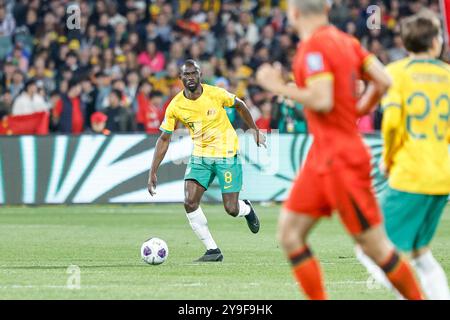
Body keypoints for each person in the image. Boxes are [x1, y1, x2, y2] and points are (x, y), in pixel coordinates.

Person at [256, 0, 423, 300]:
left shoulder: (313, 48)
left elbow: (322, 100)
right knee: (289, 233)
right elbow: (384, 80)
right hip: (323, 154)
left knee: (376, 247)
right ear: (326, 10)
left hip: (340, 159)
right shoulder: (348, 42)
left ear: (293, 13)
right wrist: (359, 109)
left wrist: (277, 86)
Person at [355, 10, 450, 300]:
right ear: (435, 42)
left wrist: (388, 159)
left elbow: (393, 124)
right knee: (421, 253)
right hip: (443, 176)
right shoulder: (447, 75)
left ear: (406, 43)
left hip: (411, 174)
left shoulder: (395, 73)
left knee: (367, 247)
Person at [148, 59, 266, 262]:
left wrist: (254, 130)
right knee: (189, 202)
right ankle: (213, 250)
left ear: (200, 75)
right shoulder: (175, 106)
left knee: (231, 209)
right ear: (180, 78)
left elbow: (240, 105)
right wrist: (153, 172)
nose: (191, 78)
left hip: (226, 154)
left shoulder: (215, 93)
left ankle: (245, 208)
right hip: (200, 157)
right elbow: (164, 138)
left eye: (194, 73)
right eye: (186, 74)